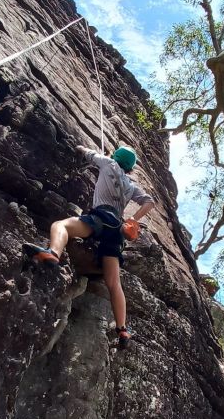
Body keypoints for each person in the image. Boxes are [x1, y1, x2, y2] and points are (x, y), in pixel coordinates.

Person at [23, 144, 155, 348]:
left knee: (61, 225)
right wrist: (134, 219)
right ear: (130, 167)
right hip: (117, 229)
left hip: (101, 218)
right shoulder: (130, 186)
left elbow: (84, 150)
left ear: (116, 157)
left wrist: (81, 148)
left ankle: (53, 253)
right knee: (114, 283)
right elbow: (150, 201)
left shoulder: (108, 163)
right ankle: (122, 330)